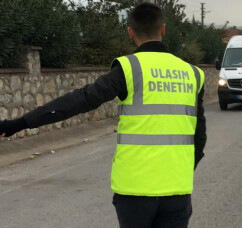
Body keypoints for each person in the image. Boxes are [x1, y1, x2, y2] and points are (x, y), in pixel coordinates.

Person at [0, 3, 206, 228]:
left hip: (134, 190)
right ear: (163, 29)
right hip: (177, 188)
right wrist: (181, 171)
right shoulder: (193, 74)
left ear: (130, 32)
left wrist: (20, 123)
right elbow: (200, 137)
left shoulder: (129, 68)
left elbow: (79, 101)